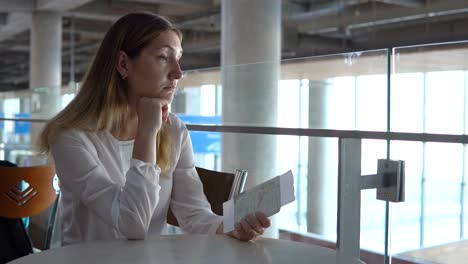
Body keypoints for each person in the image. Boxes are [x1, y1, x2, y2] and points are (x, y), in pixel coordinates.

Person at [39, 12, 270, 245]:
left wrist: (229, 227)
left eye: (178, 58)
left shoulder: (174, 129)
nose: (178, 73)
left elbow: (193, 212)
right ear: (123, 64)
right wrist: (147, 134)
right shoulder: (71, 137)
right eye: (163, 57)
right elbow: (133, 224)